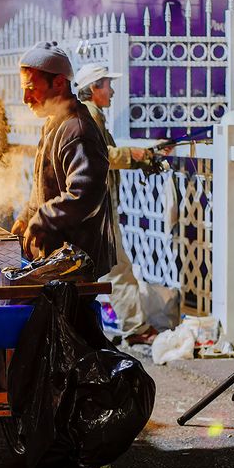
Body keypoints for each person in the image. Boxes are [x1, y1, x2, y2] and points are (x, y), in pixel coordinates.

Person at [74, 63, 162, 346]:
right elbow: (102, 155)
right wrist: (137, 155)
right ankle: (136, 328)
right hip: (97, 209)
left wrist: (143, 156)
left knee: (102, 269)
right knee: (119, 268)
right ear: (94, 89)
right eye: (107, 85)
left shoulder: (90, 115)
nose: (112, 90)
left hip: (94, 208)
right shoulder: (88, 116)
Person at [11, 41, 115, 280]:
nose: (26, 98)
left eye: (31, 88)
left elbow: (85, 194)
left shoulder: (77, 130)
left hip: (76, 262)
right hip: (59, 260)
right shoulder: (53, 124)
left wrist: (43, 218)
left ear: (58, 82)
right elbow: (43, 183)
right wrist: (27, 216)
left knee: (75, 317)